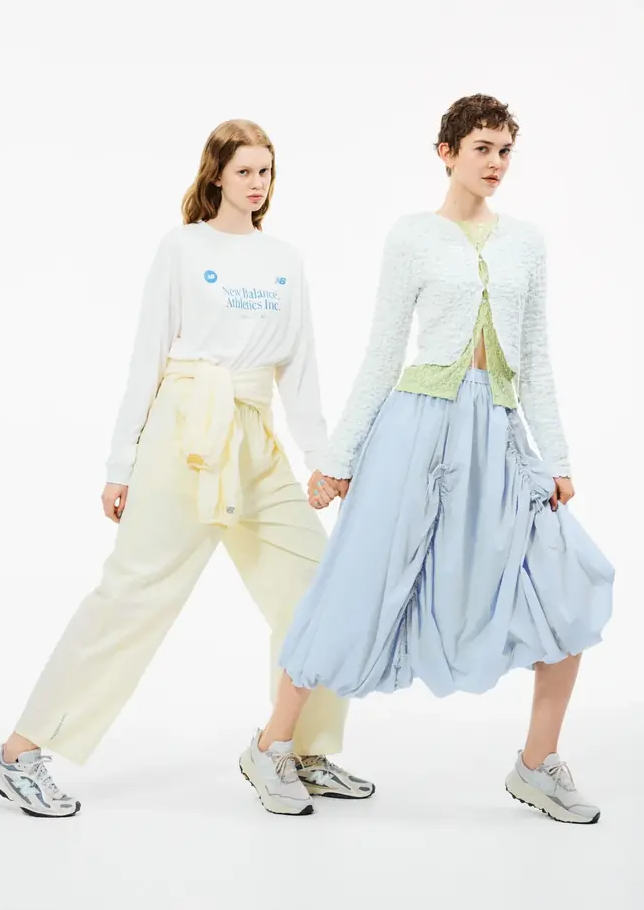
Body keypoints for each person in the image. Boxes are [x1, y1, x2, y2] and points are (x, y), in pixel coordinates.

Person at [0, 118, 374, 818]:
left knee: (319, 588)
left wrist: (322, 460)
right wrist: (120, 463)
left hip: (253, 435)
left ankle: (293, 747)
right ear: (216, 174)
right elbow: (147, 357)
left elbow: (300, 371)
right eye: (244, 170)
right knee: (134, 594)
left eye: (265, 171)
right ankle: (18, 754)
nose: (256, 183)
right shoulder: (183, 247)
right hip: (184, 432)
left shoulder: (284, 259)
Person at [240, 95, 614, 825]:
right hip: (413, 433)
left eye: (504, 151)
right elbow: (383, 352)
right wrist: (340, 459)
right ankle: (270, 744)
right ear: (446, 152)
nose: (496, 163)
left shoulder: (525, 243)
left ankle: (537, 764)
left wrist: (557, 457)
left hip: (496, 439)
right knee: (356, 585)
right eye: (482, 148)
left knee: (563, 584)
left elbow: (534, 358)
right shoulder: (412, 236)